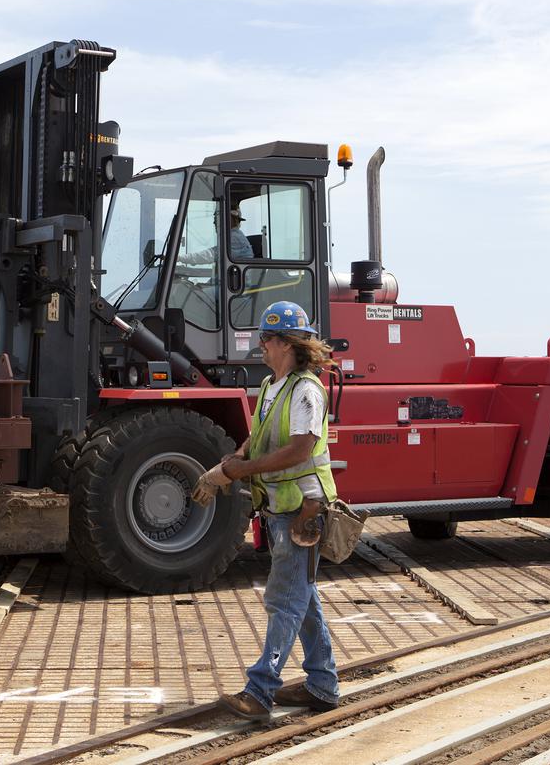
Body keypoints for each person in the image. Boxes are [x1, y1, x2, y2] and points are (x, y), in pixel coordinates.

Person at [192, 300, 340, 720]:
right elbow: (259, 442)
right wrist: (228, 467)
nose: (262, 345)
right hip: (283, 509)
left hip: (303, 511)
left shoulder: (306, 390)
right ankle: (323, 684)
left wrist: (243, 471)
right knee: (301, 598)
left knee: (284, 600)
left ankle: (259, 692)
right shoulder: (273, 388)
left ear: (288, 344)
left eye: (268, 339)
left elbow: (299, 450)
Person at [180, 207, 253, 264]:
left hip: (236, 280)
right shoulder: (231, 235)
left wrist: (180, 258)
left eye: (217, 219)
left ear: (228, 220)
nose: (214, 222)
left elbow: (210, 255)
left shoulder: (234, 237)